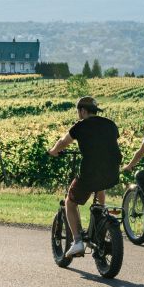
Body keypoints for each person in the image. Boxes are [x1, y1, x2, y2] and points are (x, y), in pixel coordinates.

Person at [48, 96, 122, 257]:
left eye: (78, 111)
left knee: (70, 202)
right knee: (100, 183)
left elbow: (63, 141)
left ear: (82, 111)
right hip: (112, 171)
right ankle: (102, 215)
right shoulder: (110, 124)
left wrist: (53, 151)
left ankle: (77, 241)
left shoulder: (80, 126)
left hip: (90, 172)